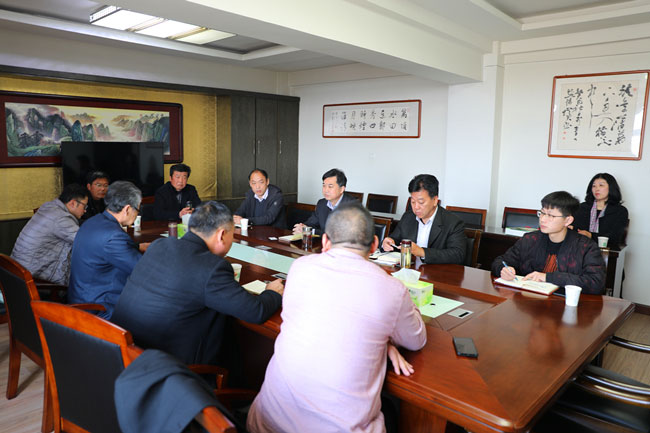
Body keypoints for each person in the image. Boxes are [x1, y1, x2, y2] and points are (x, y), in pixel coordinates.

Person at [247, 202, 426, 433]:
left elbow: (329, 317)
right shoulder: (392, 289)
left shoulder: (300, 268)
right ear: (374, 245)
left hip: (266, 424)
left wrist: (384, 339)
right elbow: (416, 340)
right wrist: (387, 339)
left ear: (325, 241)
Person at [112, 201, 283, 365]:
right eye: (233, 235)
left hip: (123, 354)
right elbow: (255, 311)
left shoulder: (159, 245)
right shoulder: (212, 268)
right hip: (169, 368)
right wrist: (272, 292)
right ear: (222, 235)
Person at [492, 191, 606, 295]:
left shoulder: (585, 247)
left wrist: (548, 277)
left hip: (566, 304)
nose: (542, 219)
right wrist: (503, 269)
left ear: (567, 220)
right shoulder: (530, 240)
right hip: (529, 303)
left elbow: (596, 283)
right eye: (542, 213)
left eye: (551, 215)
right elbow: (500, 261)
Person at [68, 181, 146, 319]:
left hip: (81, 297)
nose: (137, 213)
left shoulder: (93, 221)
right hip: (100, 308)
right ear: (127, 209)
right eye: (138, 209)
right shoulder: (114, 236)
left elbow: (105, 248)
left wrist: (137, 246)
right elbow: (143, 270)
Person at [11, 184, 89, 285]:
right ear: (73, 203)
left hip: (17, 271)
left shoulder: (49, 206)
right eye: (84, 206)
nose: (85, 210)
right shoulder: (61, 219)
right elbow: (86, 242)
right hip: (33, 280)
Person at [382, 174, 466, 265]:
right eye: (413, 202)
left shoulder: (453, 222)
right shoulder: (408, 217)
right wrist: (388, 243)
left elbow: (458, 255)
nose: (416, 207)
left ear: (435, 200)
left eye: (421, 202)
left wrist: (422, 252)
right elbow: (395, 240)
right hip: (409, 270)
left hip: (436, 272)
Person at [292, 168, 358, 235]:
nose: (326, 190)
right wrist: (303, 227)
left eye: (330, 186)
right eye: (324, 186)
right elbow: (311, 223)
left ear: (341, 189)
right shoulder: (322, 203)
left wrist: (311, 231)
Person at [573, 173, 629, 249]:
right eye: (594, 186)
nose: (597, 189)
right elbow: (574, 229)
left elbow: (615, 238)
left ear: (611, 188)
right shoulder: (582, 207)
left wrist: (590, 235)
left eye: (601, 185)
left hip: (607, 251)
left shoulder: (620, 211)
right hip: (579, 248)